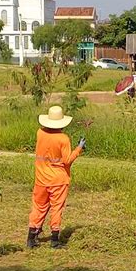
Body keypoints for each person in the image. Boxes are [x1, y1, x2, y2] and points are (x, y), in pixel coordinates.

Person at [27, 106, 86, 249]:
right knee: (56, 208)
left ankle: (31, 237)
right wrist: (79, 148)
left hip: (41, 178)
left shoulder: (40, 133)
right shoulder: (63, 139)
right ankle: (54, 240)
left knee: (39, 207)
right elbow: (67, 160)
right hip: (58, 180)